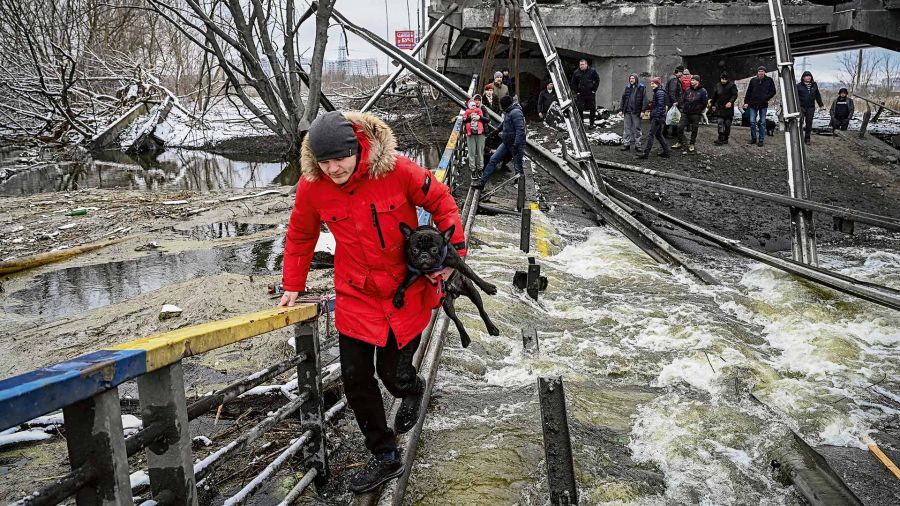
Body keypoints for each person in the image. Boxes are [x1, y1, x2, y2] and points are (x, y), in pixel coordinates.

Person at [280, 111, 467, 494]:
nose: (333, 168)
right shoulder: (312, 187)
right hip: (356, 294)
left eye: (340, 159)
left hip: (405, 291)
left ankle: (411, 388)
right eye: (324, 161)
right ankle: (384, 455)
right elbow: (301, 234)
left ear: (357, 149)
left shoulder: (397, 170)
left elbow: (443, 203)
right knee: (355, 378)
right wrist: (292, 284)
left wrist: (452, 259)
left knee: (392, 376)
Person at [476, 94, 526, 188]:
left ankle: (520, 189)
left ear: (505, 104)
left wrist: (516, 144)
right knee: (493, 160)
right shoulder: (509, 112)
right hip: (506, 143)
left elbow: (520, 130)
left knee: (518, 168)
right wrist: (492, 133)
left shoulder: (516, 113)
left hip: (515, 145)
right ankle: (482, 183)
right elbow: (503, 125)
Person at [672, 75, 708, 153]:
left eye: (694, 80)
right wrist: (681, 106)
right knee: (680, 126)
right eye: (691, 80)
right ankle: (679, 142)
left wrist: (699, 110)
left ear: (697, 81)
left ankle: (692, 144)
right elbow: (683, 99)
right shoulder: (688, 90)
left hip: (695, 113)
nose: (692, 81)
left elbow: (705, 102)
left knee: (694, 129)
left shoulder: (703, 91)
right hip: (685, 112)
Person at [637, 77, 670, 160]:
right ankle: (666, 152)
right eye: (651, 83)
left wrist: (657, 117)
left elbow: (661, 106)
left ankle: (646, 154)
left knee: (651, 135)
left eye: (653, 83)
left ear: (657, 84)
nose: (651, 85)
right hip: (658, 117)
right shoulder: (658, 92)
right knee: (658, 135)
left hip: (657, 117)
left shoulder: (659, 93)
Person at [742, 66, 776, 147]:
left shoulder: (769, 80)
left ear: (765, 72)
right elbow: (749, 92)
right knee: (752, 122)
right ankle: (753, 138)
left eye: (762, 71)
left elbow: (773, 91)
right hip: (753, 104)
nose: (761, 72)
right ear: (757, 72)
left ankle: (761, 139)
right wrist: (746, 102)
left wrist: (766, 98)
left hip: (763, 105)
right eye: (759, 71)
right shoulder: (753, 80)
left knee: (762, 122)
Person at [709, 71, 738, 145]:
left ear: (727, 79)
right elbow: (714, 96)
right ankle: (720, 137)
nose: (723, 80)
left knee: (727, 124)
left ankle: (726, 138)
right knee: (720, 122)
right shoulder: (718, 85)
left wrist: (730, 102)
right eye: (722, 78)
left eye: (725, 79)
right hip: (720, 107)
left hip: (728, 108)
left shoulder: (732, 86)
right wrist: (713, 105)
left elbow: (734, 95)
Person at [796, 70, 825, 145]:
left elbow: (817, 96)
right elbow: (795, 97)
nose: (808, 77)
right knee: (800, 122)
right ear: (803, 78)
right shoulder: (798, 86)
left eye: (809, 76)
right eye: (806, 76)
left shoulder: (814, 85)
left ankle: (807, 139)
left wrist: (821, 105)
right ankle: (799, 138)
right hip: (801, 107)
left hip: (811, 107)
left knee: (809, 123)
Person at [463, 97, 489, 178]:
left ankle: (480, 169)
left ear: (481, 101)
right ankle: (473, 170)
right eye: (476, 100)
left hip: (481, 134)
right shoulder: (467, 109)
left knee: (480, 152)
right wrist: (470, 117)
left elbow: (487, 119)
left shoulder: (483, 109)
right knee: (471, 152)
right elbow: (464, 120)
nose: (477, 102)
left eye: (479, 100)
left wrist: (479, 117)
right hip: (470, 134)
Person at [571, 59, 600, 129]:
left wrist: (594, 90)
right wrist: (577, 91)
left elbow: (597, 80)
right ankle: (581, 124)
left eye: (583, 64)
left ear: (586, 65)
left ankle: (591, 124)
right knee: (580, 108)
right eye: (580, 65)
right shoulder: (576, 72)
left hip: (590, 92)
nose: (581, 66)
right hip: (581, 93)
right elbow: (573, 83)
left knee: (592, 108)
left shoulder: (592, 71)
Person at [620, 73, 646, 151]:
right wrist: (621, 110)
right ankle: (626, 144)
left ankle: (637, 145)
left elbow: (644, 100)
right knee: (626, 129)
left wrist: (643, 110)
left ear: (636, 79)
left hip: (636, 112)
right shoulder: (627, 87)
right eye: (630, 78)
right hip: (627, 112)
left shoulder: (641, 87)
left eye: (633, 78)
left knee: (637, 129)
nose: (631, 80)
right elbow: (623, 98)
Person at [664, 65, 685, 138]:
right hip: (673, 103)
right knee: (672, 117)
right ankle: (668, 133)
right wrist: (675, 101)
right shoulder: (674, 79)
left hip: (671, 102)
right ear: (678, 72)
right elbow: (672, 92)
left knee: (670, 116)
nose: (682, 74)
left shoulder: (673, 78)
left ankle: (670, 132)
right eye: (681, 72)